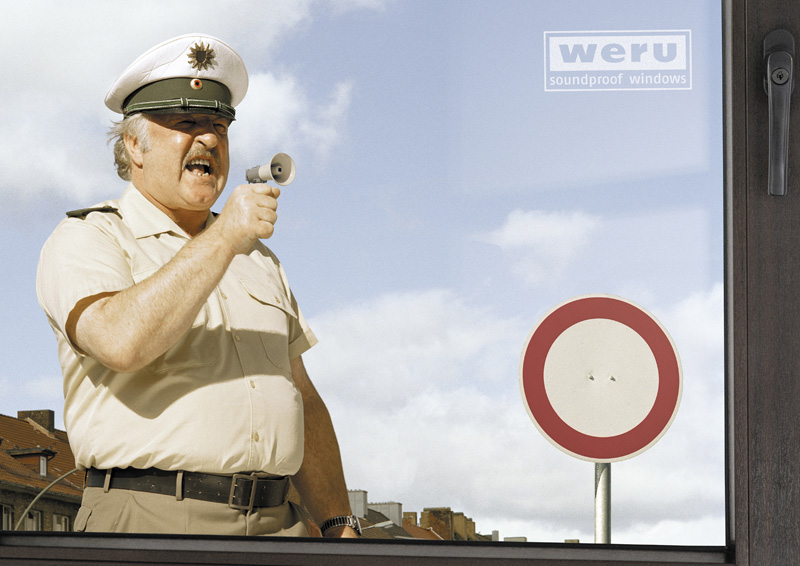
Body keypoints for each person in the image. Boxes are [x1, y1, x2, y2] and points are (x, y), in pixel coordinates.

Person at [35, 33, 360, 538]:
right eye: (186, 124)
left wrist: (339, 522)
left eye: (219, 126)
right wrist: (225, 235)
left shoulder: (258, 259)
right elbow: (119, 342)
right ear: (133, 145)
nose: (209, 139)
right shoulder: (90, 237)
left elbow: (300, 396)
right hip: (150, 520)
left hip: (281, 526)